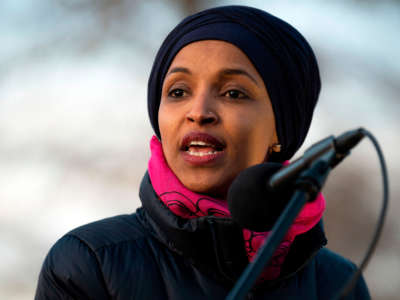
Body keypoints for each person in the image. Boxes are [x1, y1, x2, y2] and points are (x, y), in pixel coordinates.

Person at [35, 5, 370, 299]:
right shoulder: (88, 263)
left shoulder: (340, 283)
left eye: (234, 93)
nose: (199, 111)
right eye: (178, 91)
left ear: (281, 129)